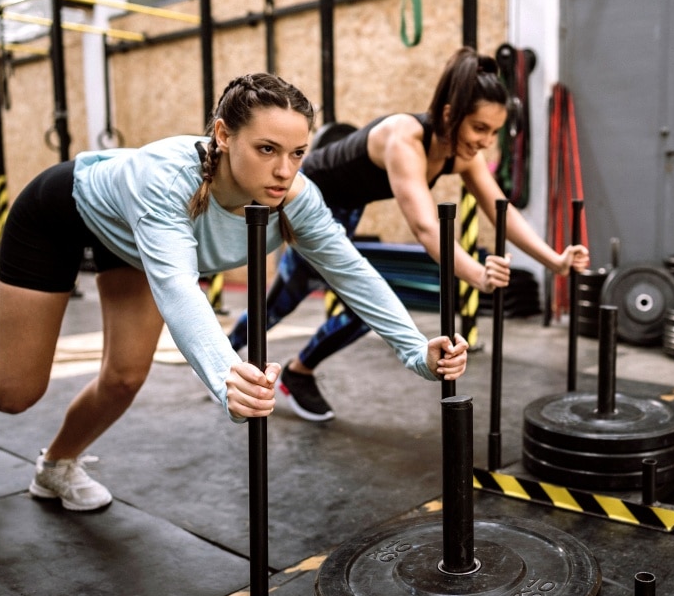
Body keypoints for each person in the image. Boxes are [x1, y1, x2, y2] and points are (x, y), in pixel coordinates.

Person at [0, 72, 468, 512]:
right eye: (266, 148)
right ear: (224, 135)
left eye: (298, 152)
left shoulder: (295, 195)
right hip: (59, 216)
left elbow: (349, 268)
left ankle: (54, 468)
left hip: (130, 244)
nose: (284, 170)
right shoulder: (169, 178)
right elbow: (178, 286)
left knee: (122, 379)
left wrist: (416, 349)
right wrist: (227, 377)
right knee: (16, 393)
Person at [227, 47, 589, 422]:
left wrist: (555, 260)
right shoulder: (405, 137)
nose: (485, 141)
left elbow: (502, 210)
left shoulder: (463, 152)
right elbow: (426, 226)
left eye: (494, 132)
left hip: (344, 212)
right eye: (480, 128)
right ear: (450, 115)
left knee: (357, 308)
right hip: (305, 199)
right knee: (288, 297)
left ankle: (297, 371)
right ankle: (229, 357)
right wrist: (478, 274)